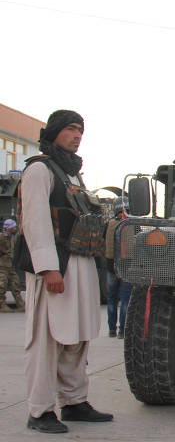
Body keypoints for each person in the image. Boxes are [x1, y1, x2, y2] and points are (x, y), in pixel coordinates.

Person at [17, 110, 113, 433]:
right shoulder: (39, 170)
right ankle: (40, 410)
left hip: (80, 262)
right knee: (46, 339)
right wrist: (48, 269)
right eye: (71, 129)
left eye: (80, 130)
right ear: (56, 131)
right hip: (55, 267)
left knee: (77, 336)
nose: (77, 135)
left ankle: (74, 401)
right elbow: (36, 222)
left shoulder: (72, 174)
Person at [105, 201, 132, 339]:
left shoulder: (109, 223)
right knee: (126, 299)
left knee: (112, 299)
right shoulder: (131, 224)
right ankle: (122, 330)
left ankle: (111, 329)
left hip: (111, 266)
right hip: (127, 267)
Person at [0, 218, 25, 312]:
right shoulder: (2, 237)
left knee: (16, 285)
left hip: (10, 266)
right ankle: (1, 305)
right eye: (13, 227)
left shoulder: (13, 237)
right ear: (8, 228)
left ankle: (21, 305)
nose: (15, 228)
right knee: (1, 286)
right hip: (2, 265)